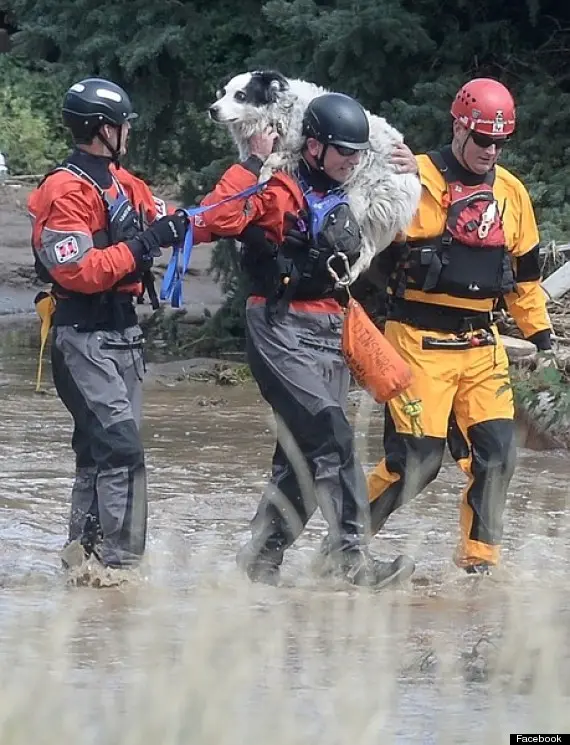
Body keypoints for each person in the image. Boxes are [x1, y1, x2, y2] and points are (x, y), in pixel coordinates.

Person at [199, 92, 417, 587]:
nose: (352, 161)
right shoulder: (276, 185)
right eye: (343, 151)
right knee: (332, 431)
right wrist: (253, 158)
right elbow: (216, 217)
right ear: (313, 147)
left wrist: (415, 167)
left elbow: (431, 212)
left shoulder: (357, 186)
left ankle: (259, 558)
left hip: (328, 328)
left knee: (302, 451)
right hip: (278, 326)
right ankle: (350, 557)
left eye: (358, 153)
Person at [364, 78, 553, 575]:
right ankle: (346, 543)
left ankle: (479, 564)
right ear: (458, 128)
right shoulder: (415, 176)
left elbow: (525, 281)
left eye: (499, 143)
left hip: (480, 344)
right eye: (482, 140)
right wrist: (382, 173)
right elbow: (360, 215)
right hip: (415, 341)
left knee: (498, 456)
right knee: (417, 462)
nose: (490, 152)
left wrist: (543, 339)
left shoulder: (512, 195)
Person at [28, 77, 206, 569]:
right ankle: (122, 570)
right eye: (123, 124)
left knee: (98, 452)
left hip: (122, 334)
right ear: (102, 129)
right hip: (81, 337)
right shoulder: (63, 191)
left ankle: (83, 562)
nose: (128, 131)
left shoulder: (127, 185)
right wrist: (147, 243)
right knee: (122, 450)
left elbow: (180, 219)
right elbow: (78, 271)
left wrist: (255, 173)